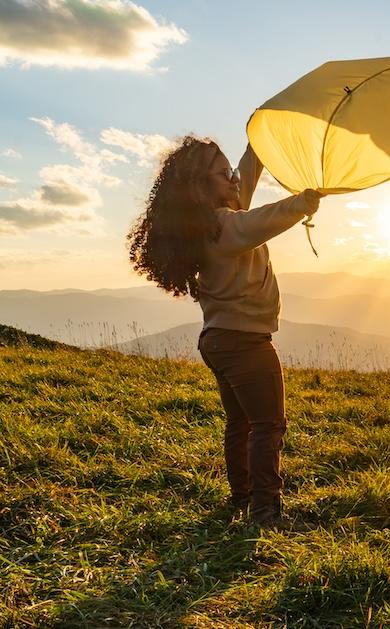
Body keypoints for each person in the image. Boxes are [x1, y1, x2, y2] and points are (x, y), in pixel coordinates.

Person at [127, 136, 322, 524]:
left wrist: (260, 139)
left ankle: (242, 497)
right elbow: (260, 221)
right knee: (269, 426)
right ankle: (265, 511)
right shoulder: (225, 227)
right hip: (246, 343)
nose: (233, 179)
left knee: (241, 424)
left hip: (218, 340)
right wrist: (303, 202)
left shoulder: (208, 222)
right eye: (222, 173)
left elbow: (245, 177)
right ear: (202, 186)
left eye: (230, 169)